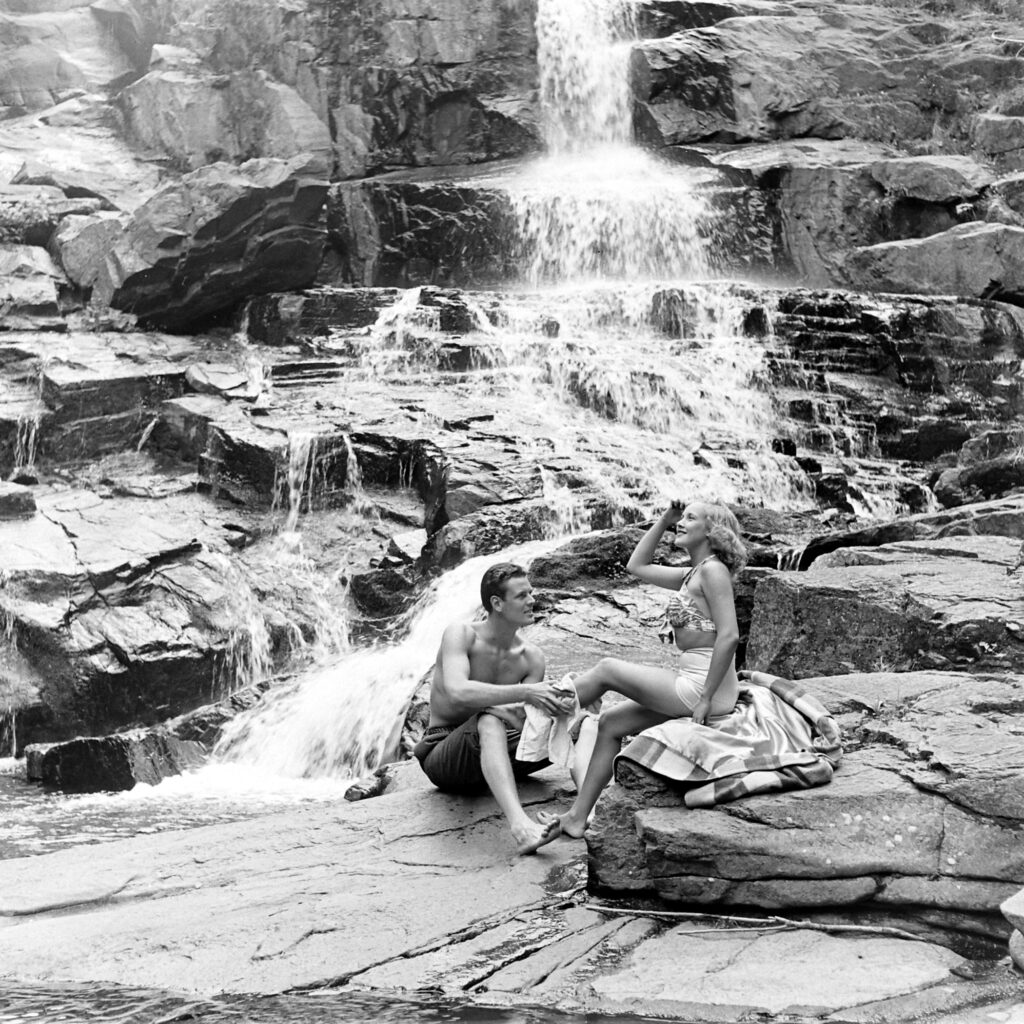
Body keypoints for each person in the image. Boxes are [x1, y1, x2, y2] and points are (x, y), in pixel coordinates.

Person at [558, 498, 747, 838]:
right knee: (611, 723)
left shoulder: (713, 571)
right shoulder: (692, 573)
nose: (681, 522)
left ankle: (544, 708)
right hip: (695, 679)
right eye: (681, 517)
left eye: (690, 517)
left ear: (711, 530)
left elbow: (730, 636)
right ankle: (576, 817)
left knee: (607, 669)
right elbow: (637, 565)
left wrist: (705, 699)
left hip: (706, 687)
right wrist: (664, 519)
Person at [413, 562, 575, 855]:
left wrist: (560, 706)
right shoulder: (461, 634)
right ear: (497, 603)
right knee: (489, 721)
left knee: (579, 721)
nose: (532, 600)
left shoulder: (532, 657)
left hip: (501, 749)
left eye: (531, 592)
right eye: (522, 595)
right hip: (444, 754)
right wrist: (524, 694)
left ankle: (584, 815)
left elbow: (525, 721)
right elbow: (458, 692)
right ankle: (521, 828)